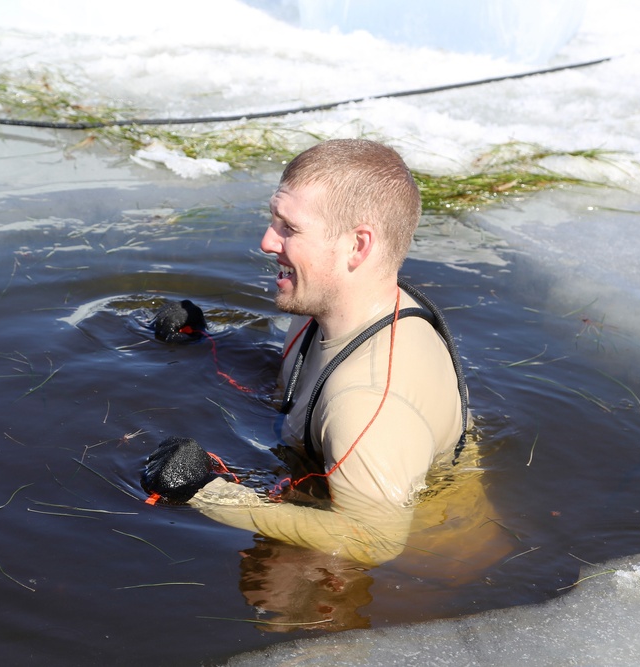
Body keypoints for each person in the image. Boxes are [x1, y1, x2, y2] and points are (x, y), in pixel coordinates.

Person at [157, 139, 510, 568]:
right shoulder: (325, 309)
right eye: (274, 221)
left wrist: (206, 492)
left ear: (357, 246)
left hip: (431, 579)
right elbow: (300, 389)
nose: (268, 241)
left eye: (289, 227)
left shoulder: (369, 401)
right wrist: (207, 341)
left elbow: (375, 540)